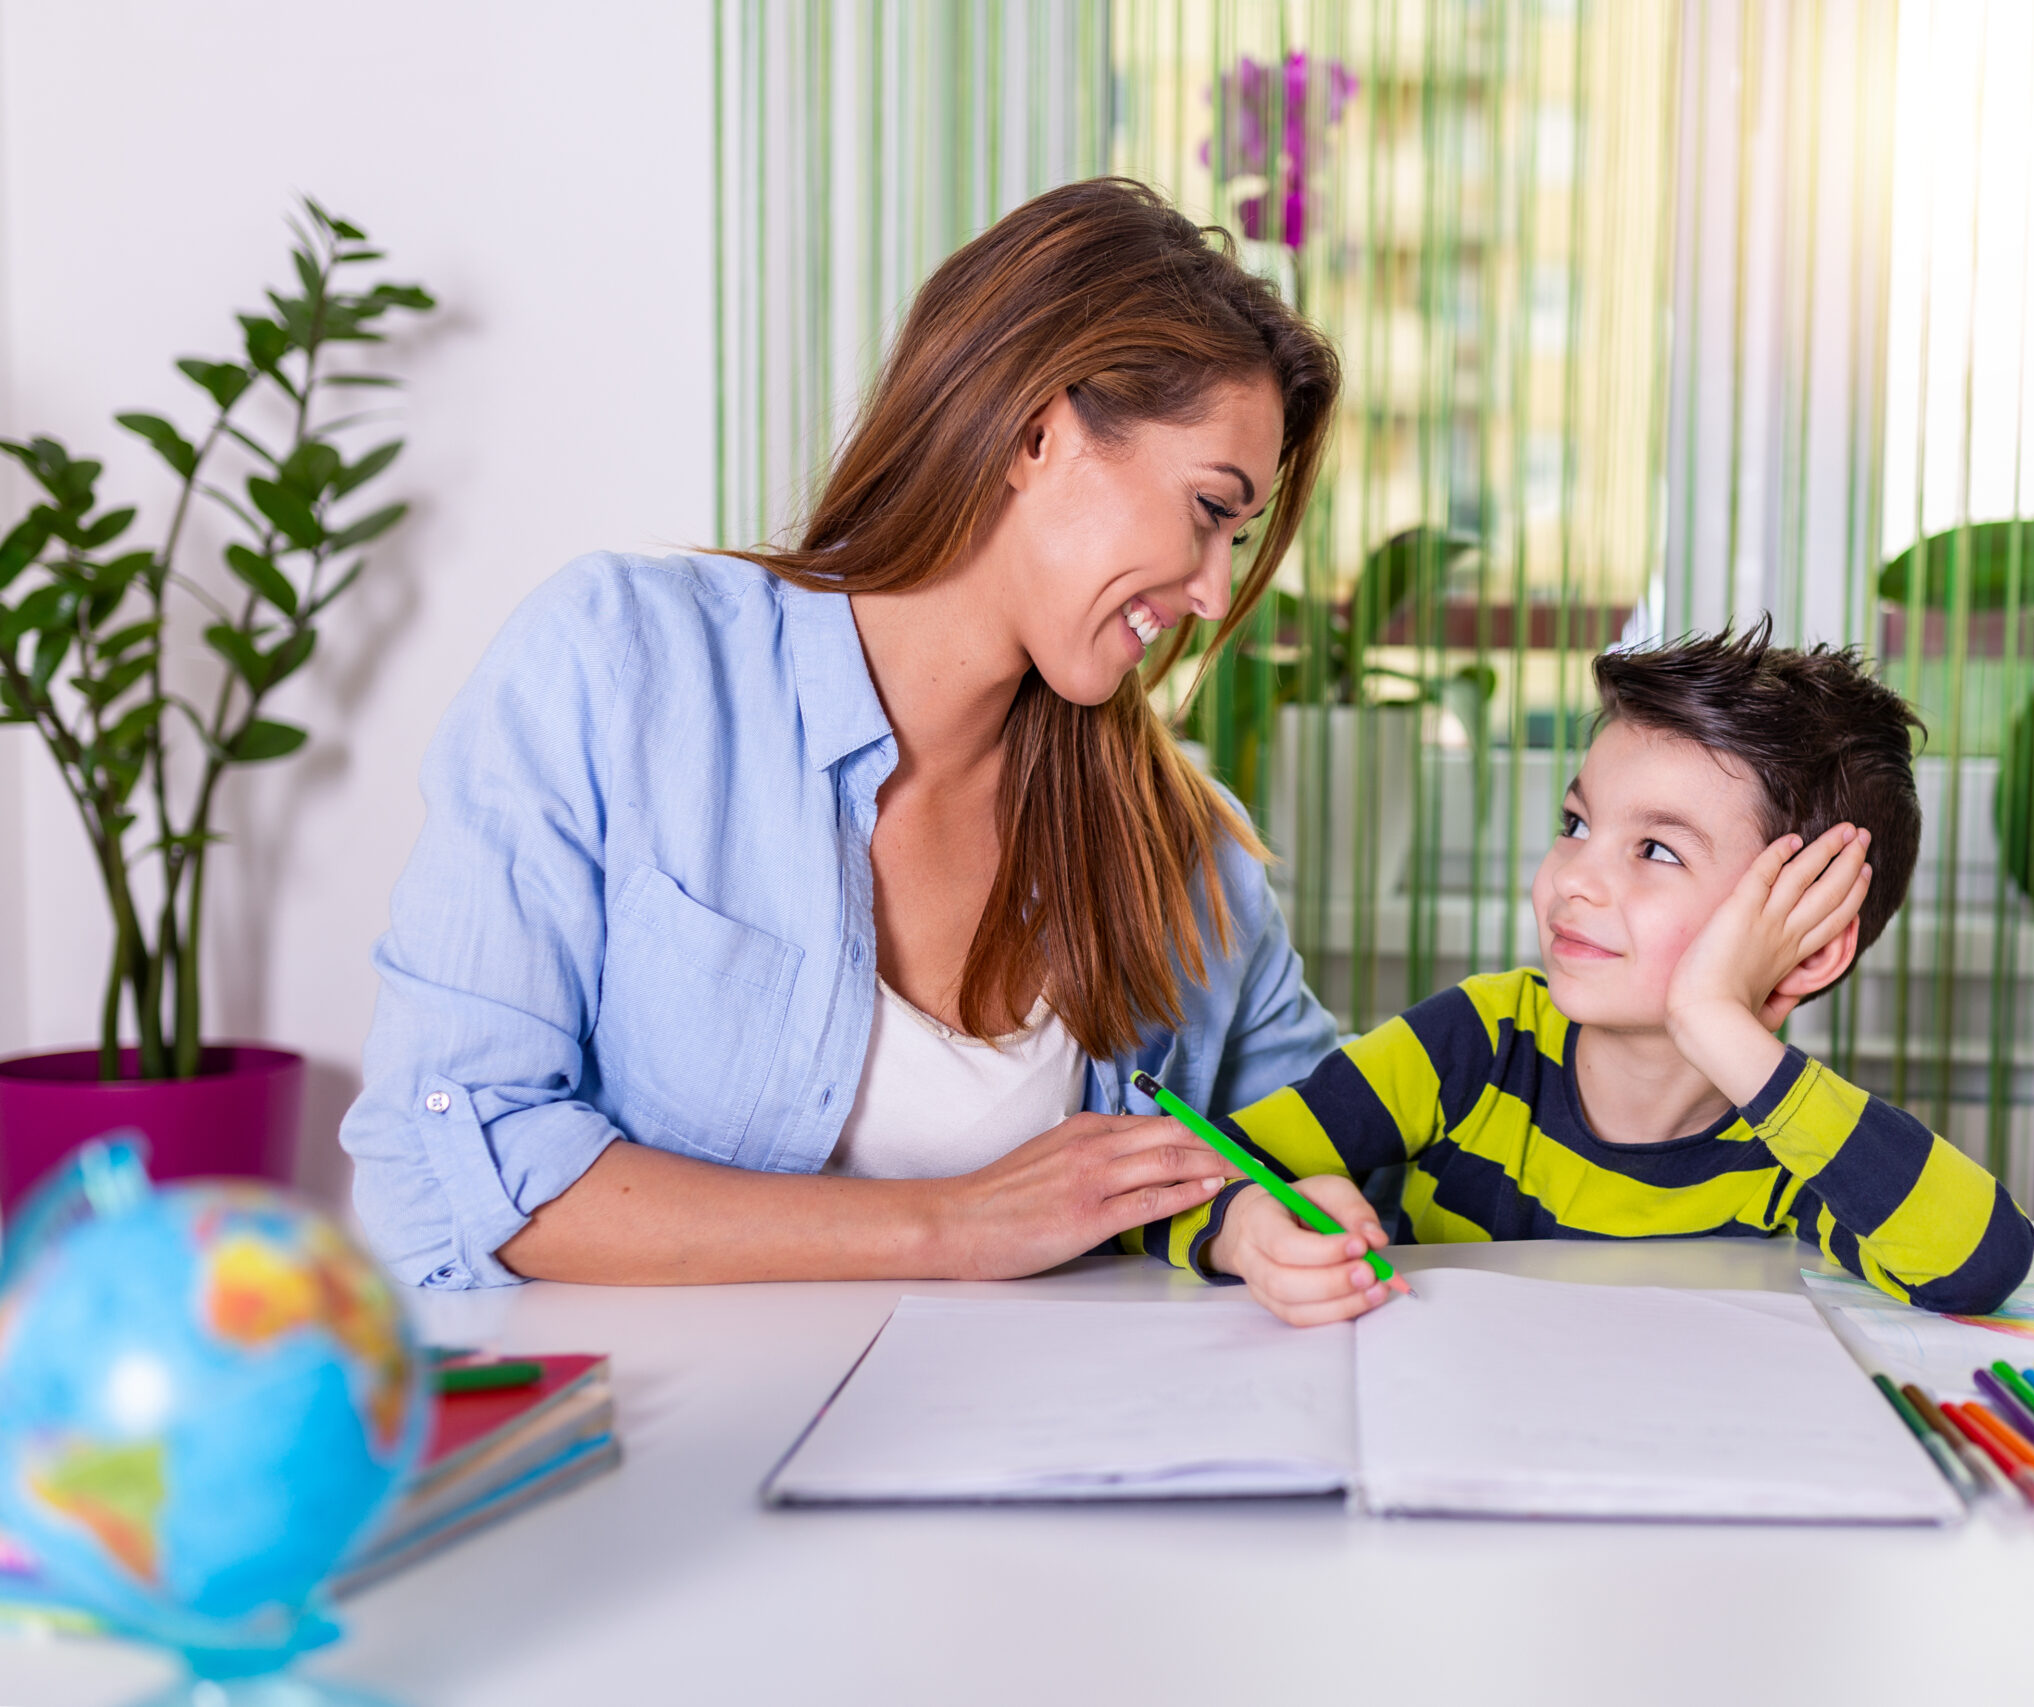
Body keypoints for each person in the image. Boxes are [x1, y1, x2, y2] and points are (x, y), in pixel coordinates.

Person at [341, 179, 1342, 1288]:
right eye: (1210, 509)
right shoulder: (622, 672)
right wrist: (950, 1228)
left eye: (1238, 543)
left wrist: (1283, 1213)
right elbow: (449, 1160)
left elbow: (1329, 1153)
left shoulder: (1183, 858)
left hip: (1047, 1450)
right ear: (1035, 431)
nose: (1212, 593)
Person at [1136, 623, 2034, 1323]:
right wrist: (1242, 1229)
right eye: (1575, 824)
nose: (1577, 877)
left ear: (1806, 945)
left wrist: (1717, 1020)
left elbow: (1978, 1262)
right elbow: (1173, 1177)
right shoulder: (1471, 1045)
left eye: (1655, 848)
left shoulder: (1794, 1139)